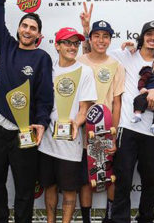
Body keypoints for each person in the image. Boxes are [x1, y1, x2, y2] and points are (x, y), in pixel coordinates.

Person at [0, 0, 54, 223]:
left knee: (24, 190)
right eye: (24, 25)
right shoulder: (7, 48)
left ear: (39, 34)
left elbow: (45, 97)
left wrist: (42, 123)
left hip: (25, 132)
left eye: (32, 28)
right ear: (18, 29)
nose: (27, 30)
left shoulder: (42, 58)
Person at [108, 20, 154, 223]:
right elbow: (95, 52)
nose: (153, 38)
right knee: (123, 179)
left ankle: (146, 218)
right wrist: (87, 29)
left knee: (150, 181)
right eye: (149, 34)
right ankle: (119, 220)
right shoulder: (127, 55)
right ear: (142, 37)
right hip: (128, 127)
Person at [38, 27, 97, 223]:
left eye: (76, 43)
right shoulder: (48, 68)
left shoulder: (85, 71)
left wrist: (76, 123)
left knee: (70, 190)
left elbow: (85, 107)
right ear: (57, 45)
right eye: (67, 43)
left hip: (70, 142)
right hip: (46, 142)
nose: (72, 47)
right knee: (50, 186)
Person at [78, 3, 124, 223]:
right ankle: (86, 219)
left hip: (106, 131)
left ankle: (108, 216)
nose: (101, 40)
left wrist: (112, 136)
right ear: (90, 38)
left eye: (106, 36)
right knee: (87, 178)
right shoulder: (79, 62)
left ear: (110, 40)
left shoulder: (117, 65)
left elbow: (116, 102)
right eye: (96, 35)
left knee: (110, 176)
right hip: (82, 131)